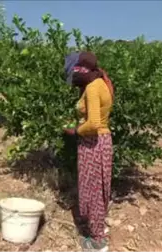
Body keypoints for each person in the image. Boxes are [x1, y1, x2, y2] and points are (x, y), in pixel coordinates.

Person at [63, 51, 114, 252]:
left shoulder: (93, 87)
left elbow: (93, 123)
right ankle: (97, 228)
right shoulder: (101, 82)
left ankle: (97, 242)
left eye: (75, 70)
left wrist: (75, 131)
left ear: (82, 69)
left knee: (93, 190)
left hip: (93, 142)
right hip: (101, 141)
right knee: (98, 189)